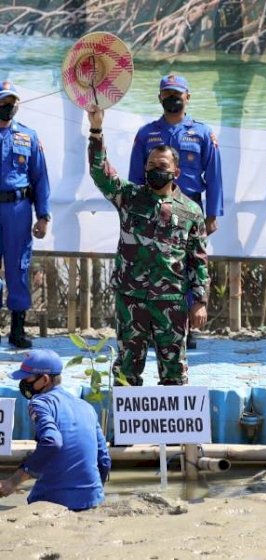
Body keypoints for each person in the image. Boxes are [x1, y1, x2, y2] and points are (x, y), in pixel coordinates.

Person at [87, 104, 209, 386]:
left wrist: (200, 301)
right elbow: (100, 173)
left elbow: (198, 260)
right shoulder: (129, 197)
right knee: (127, 369)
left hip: (171, 302)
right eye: (151, 166)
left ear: (175, 171)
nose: (155, 170)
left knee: (174, 371)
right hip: (132, 298)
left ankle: (175, 429)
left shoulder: (191, 211)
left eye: (162, 166)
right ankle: (124, 427)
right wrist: (96, 130)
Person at [128, 74, 222, 349]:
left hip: (191, 208)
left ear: (187, 97)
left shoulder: (202, 133)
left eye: (177, 94)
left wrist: (212, 214)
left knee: (190, 265)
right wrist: (136, 211)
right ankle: (154, 325)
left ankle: (187, 327)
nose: (172, 98)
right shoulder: (147, 134)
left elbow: (214, 176)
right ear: (160, 98)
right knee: (156, 265)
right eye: (167, 94)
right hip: (153, 207)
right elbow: (135, 177)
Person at [0, 349, 110, 510]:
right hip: (94, 499)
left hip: (53, 501)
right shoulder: (86, 407)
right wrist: (93, 492)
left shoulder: (40, 403)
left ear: (44, 379)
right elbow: (104, 459)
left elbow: (52, 442)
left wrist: (13, 482)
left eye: (26, 378)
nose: (23, 382)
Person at [0, 80, 51, 348]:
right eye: (2, 102)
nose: (7, 108)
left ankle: (17, 329)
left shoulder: (28, 136)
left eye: (11, 103)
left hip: (18, 210)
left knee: (18, 266)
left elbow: (40, 178)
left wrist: (43, 215)